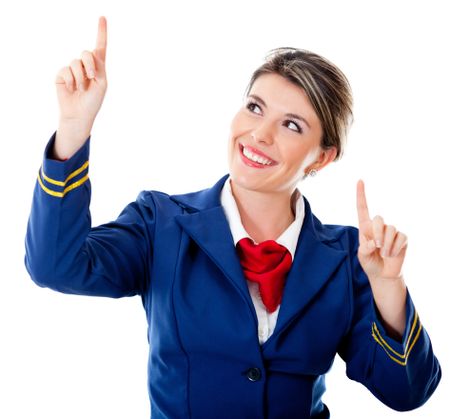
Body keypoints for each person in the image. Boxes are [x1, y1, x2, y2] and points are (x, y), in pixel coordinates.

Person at [25, 15, 441, 418]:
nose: (260, 134)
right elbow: (55, 266)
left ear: (323, 157)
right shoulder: (161, 223)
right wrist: (73, 130)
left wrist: (389, 287)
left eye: (292, 125)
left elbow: (407, 393)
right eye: (255, 108)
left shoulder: (349, 258)